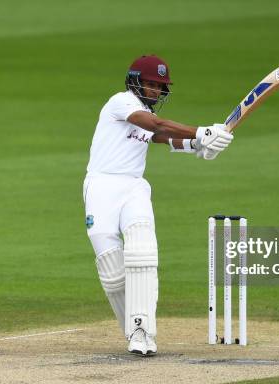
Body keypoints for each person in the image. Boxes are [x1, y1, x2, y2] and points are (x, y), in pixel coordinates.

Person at [83, 54, 233, 355]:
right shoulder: (121, 102)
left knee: (142, 252)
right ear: (135, 81)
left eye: (159, 86)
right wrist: (201, 132)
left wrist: (197, 146)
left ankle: (142, 332)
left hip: (134, 187)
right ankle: (132, 332)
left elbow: (161, 136)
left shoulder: (143, 112)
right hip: (101, 187)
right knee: (112, 273)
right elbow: (155, 123)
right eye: (151, 84)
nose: (155, 91)